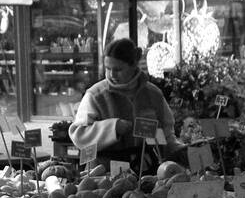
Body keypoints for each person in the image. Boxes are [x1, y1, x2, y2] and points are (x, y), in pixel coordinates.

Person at [69, 38, 181, 174]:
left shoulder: (153, 94)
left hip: (145, 171)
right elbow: (79, 135)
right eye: (108, 68)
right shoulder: (96, 95)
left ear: (133, 65)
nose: (111, 74)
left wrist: (178, 150)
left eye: (118, 69)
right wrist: (113, 127)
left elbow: (167, 132)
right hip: (103, 173)